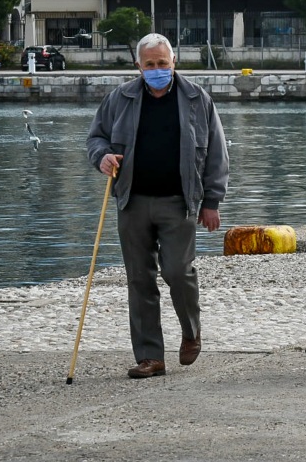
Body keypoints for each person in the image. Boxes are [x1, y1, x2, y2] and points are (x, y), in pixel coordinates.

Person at [87, 33, 229, 379]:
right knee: (139, 279)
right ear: (138, 66)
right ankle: (150, 356)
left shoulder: (198, 98)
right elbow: (96, 137)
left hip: (179, 202)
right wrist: (103, 157)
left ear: (174, 62)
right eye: (149, 64)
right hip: (131, 200)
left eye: (162, 63)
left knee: (178, 273)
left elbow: (216, 152)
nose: (156, 69)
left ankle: (191, 331)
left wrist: (211, 201)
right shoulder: (119, 98)